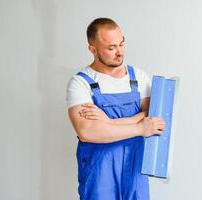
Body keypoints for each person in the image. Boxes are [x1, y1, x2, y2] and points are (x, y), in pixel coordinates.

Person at [66, 17, 165, 200]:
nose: (119, 52)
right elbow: (88, 131)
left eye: (121, 44)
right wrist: (139, 127)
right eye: (111, 48)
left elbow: (154, 117)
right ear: (93, 49)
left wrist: (109, 122)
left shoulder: (139, 77)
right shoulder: (80, 83)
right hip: (99, 171)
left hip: (135, 169)